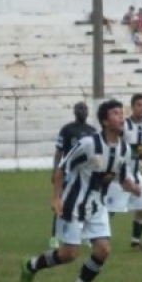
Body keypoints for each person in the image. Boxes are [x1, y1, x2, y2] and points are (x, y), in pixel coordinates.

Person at [20, 99, 141, 282]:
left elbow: (122, 176)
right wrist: (56, 197)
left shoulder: (124, 149)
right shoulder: (88, 144)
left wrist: (132, 187)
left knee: (103, 250)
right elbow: (62, 168)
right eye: (115, 113)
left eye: (122, 113)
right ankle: (31, 266)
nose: (121, 117)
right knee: (69, 254)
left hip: (97, 205)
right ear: (104, 121)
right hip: (74, 203)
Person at [106, 94, 142, 252]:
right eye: (139, 105)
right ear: (132, 107)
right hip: (120, 174)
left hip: (136, 173)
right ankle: (97, 237)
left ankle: (135, 242)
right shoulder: (123, 126)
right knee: (111, 209)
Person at [48, 102, 96, 249]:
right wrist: (55, 170)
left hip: (86, 175)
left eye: (84, 109)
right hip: (69, 173)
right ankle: (55, 236)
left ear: (88, 112)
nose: (82, 111)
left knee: (86, 203)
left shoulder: (92, 131)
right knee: (61, 202)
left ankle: (85, 235)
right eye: (79, 109)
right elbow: (59, 152)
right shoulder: (67, 129)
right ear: (74, 112)